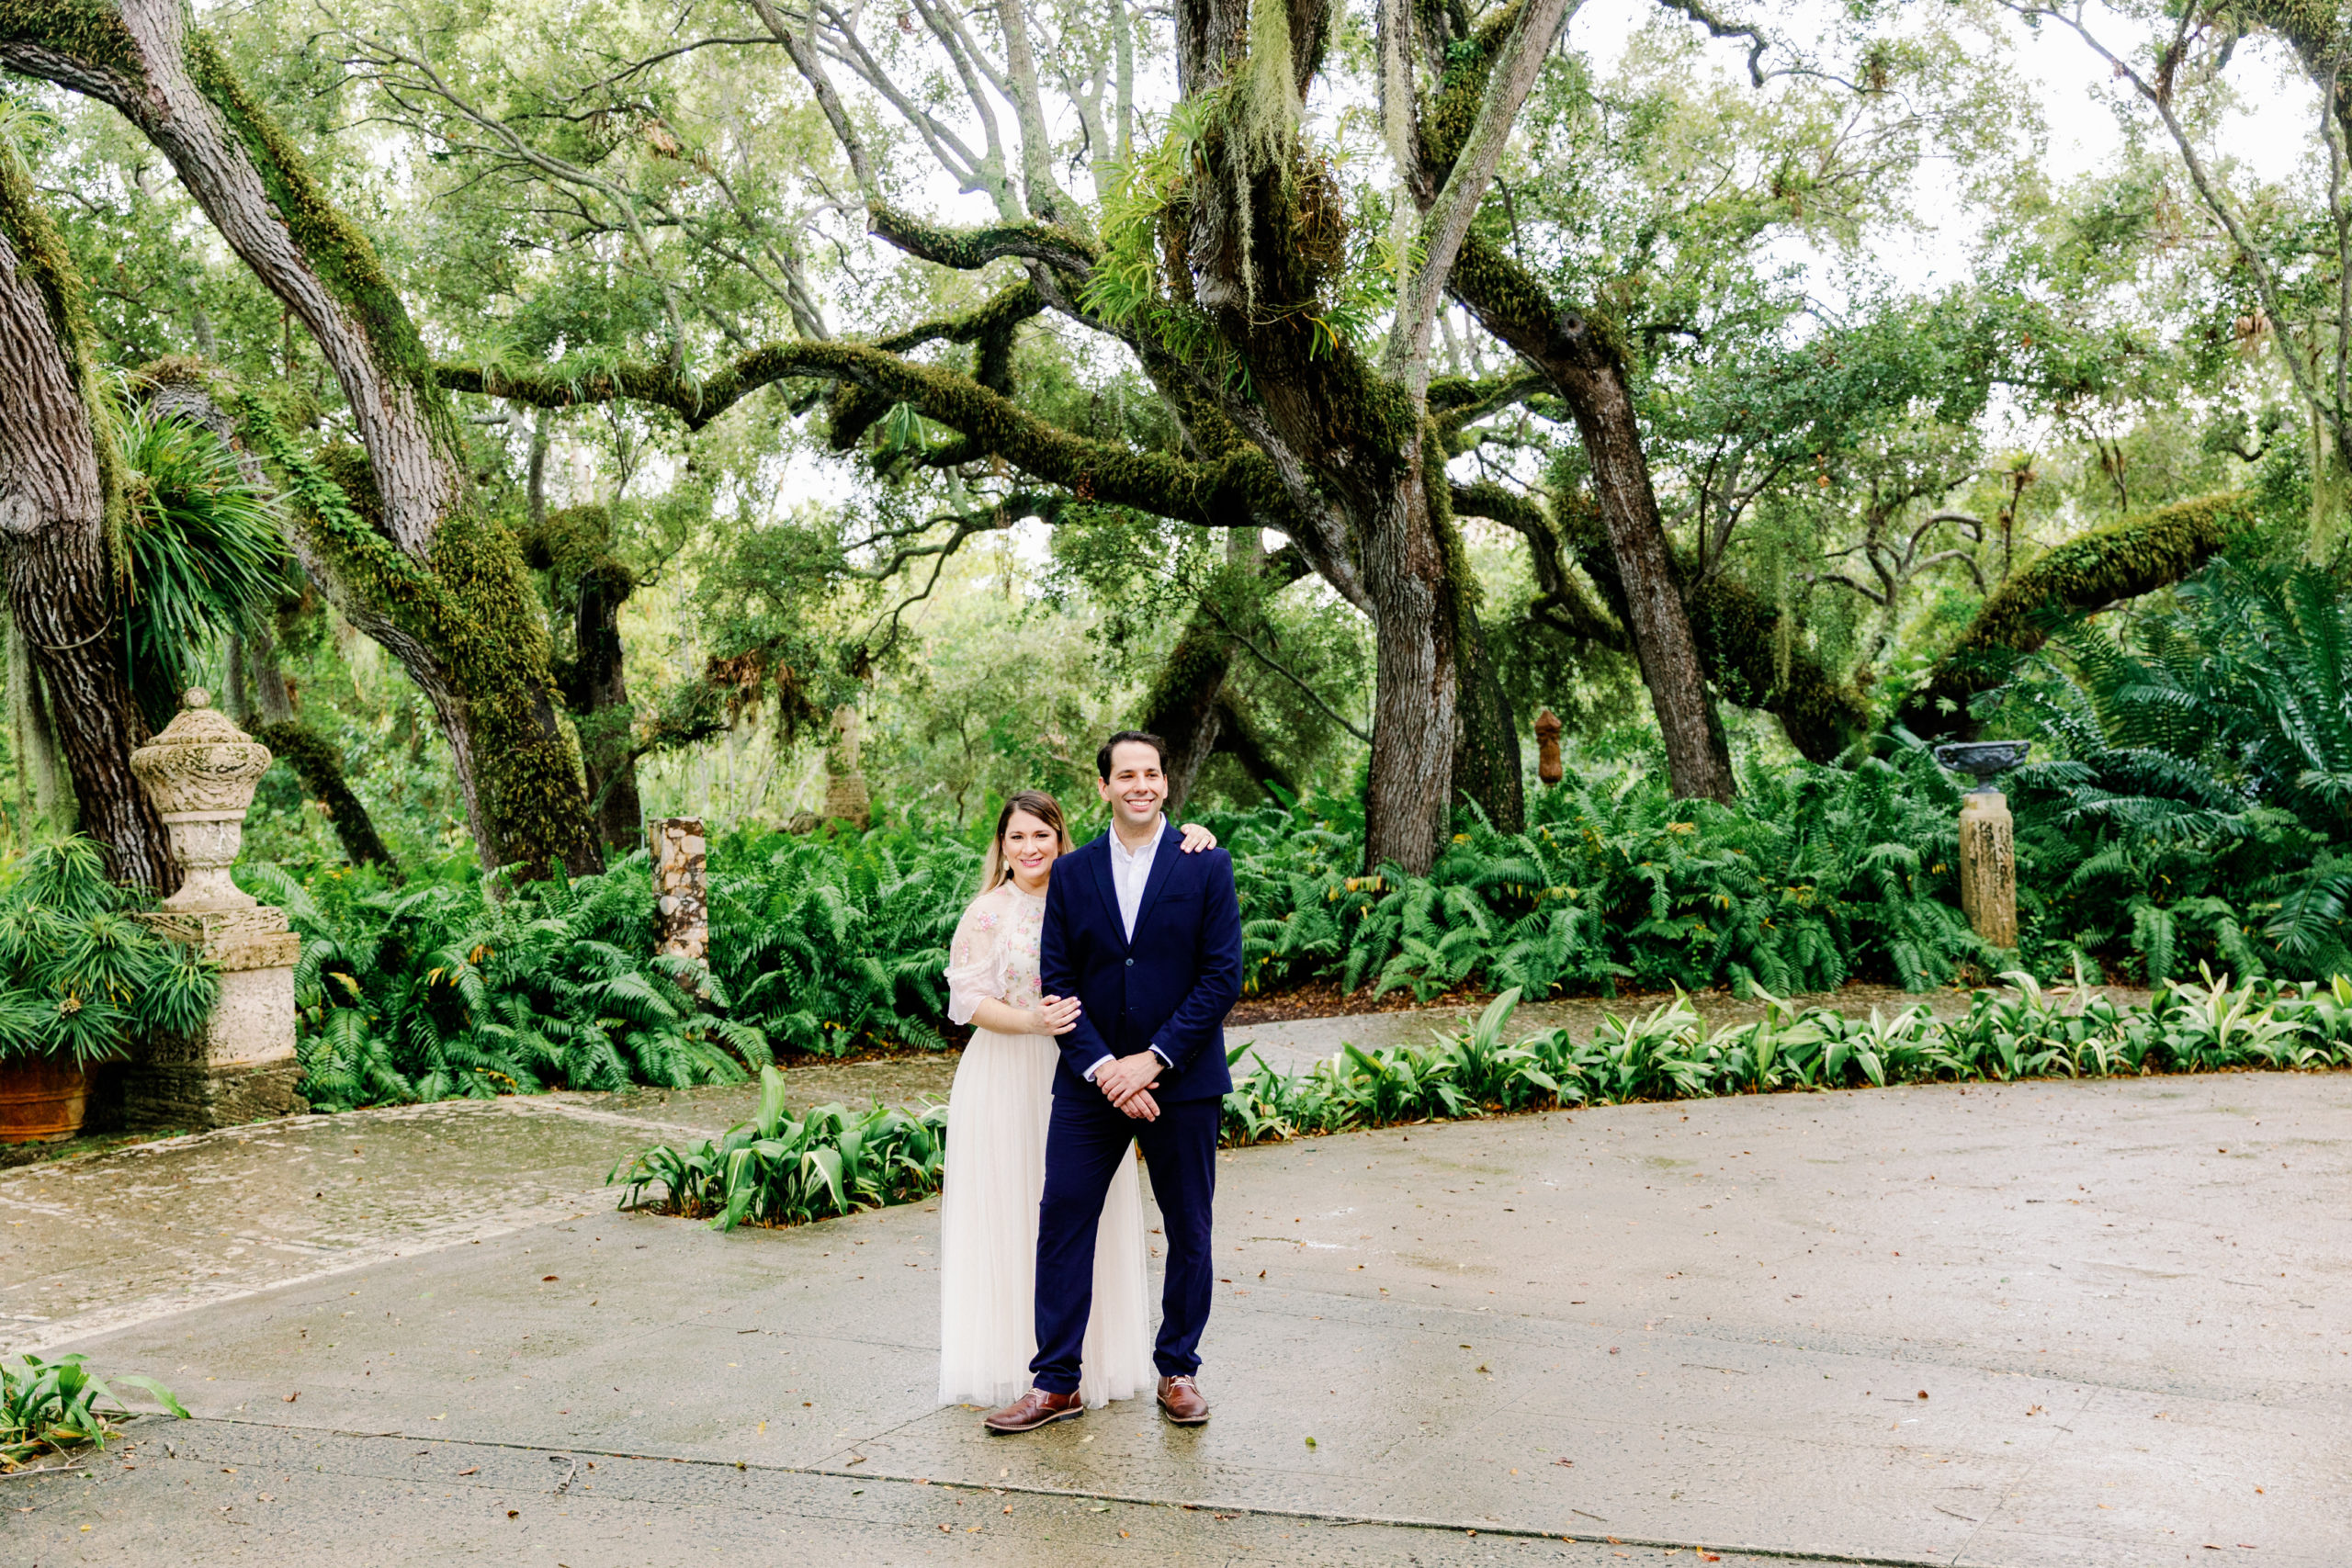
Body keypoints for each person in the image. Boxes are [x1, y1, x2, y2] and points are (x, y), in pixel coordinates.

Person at [981, 732, 1243, 1433]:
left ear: (1165, 782)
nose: (1140, 784)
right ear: (1104, 787)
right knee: (1063, 1219)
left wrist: (1152, 1059)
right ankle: (1055, 1381)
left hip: (1181, 1079)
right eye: (1125, 774)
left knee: (1189, 1227)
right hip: (1089, 1080)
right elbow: (1058, 984)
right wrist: (1106, 1068)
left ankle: (1178, 1368)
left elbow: (1223, 978)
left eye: (1151, 773)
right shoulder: (1072, 874)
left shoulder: (1206, 863)